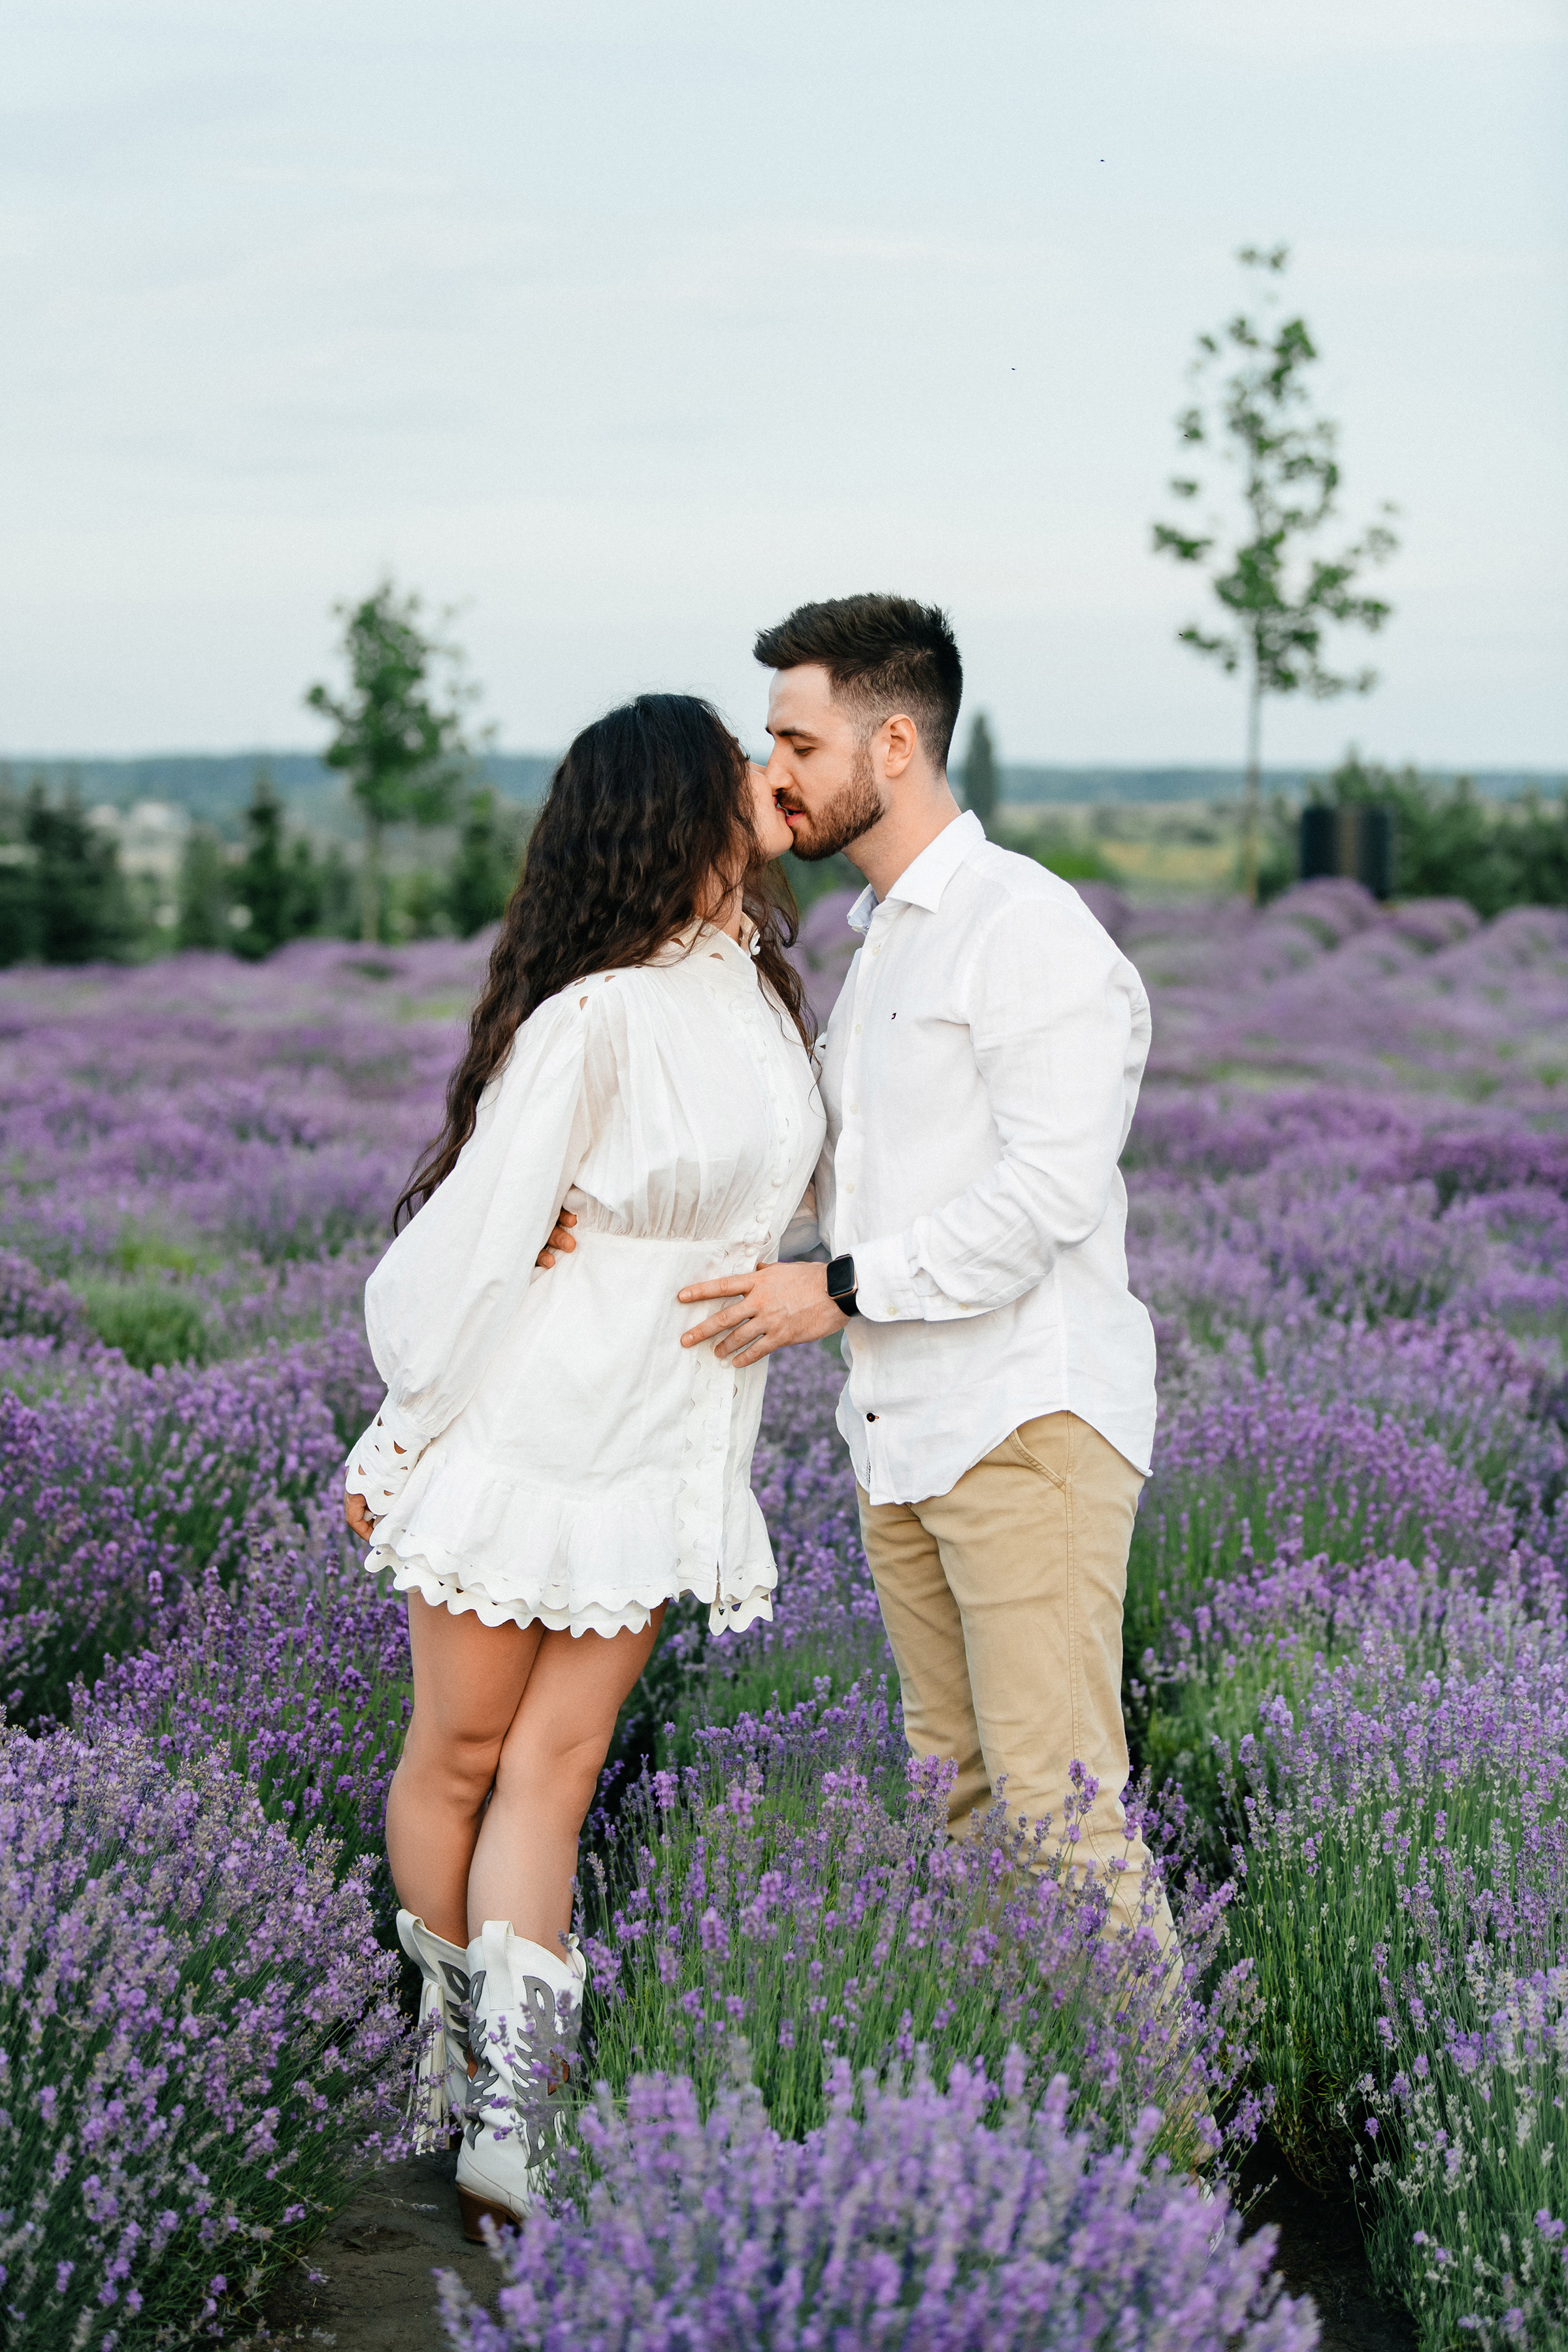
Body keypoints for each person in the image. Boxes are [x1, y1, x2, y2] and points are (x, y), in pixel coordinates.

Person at [344, 694, 823, 2238]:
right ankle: (450, 2058)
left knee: (556, 1769)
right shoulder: (590, 1017)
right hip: (532, 1427)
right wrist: (401, 1437)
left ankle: (509, 2118)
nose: (761, 793)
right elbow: (477, 1251)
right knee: (465, 1756)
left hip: (663, 1441)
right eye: (731, 781)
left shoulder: (758, 991)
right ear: (668, 820)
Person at [677, 593, 1172, 1954]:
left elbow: (1045, 1199)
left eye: (796, 738)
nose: (772, 768)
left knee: (1063, 1817)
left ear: (892, 745)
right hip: (906, 1436)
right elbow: (859, 1189)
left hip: (1026, 1427)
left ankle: (1173, 2164)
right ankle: (1032, 2134)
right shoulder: (883, 937)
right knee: (961, 1809)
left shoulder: (1025, 928)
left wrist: (828, 1292)